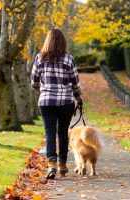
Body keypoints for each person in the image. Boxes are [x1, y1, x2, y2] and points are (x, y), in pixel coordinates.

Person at [30, 28, 82, 179]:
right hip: (66, 101)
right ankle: (63, 164)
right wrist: (78, 98)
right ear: (63, 42)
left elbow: (33, 82)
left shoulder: (40, 58)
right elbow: (75, 83)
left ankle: (51, 165)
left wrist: (44, 90)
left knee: (50, 132)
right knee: (63, 133)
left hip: (46, 102)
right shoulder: (68, 59)